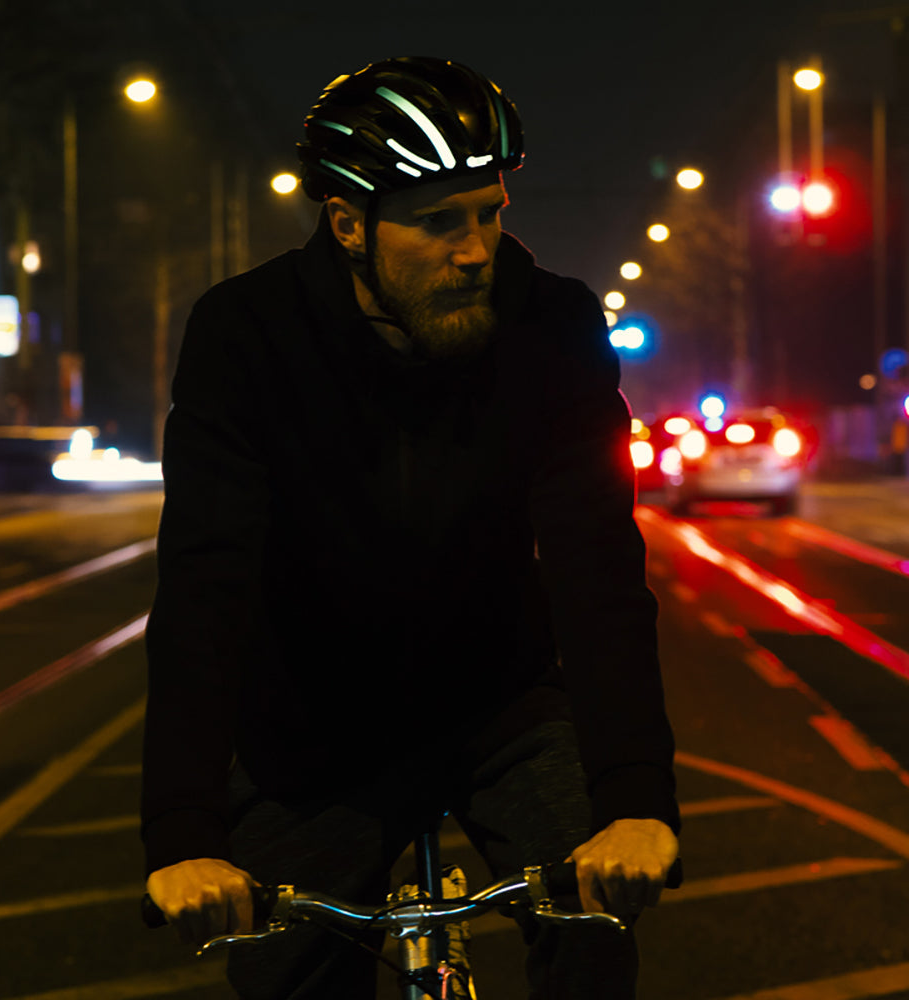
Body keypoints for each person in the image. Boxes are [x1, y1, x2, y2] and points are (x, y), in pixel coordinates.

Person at [141, 56, 680, 998]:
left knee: (595, 929)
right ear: (350, 226)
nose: (474, 249)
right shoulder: (245, 335)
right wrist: (183, 836)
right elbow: (203, 583)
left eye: (489, 212)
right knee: (286, 971)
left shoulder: (553, 325)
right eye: (438, 222)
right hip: (313, 726)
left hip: (501, 703)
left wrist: (635, 802)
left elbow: (597, 564)